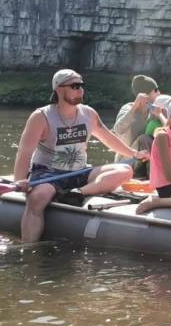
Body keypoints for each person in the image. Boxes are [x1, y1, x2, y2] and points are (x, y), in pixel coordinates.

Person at [13, 69, 150, 243]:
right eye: (75, 86)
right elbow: (24, 152)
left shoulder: (88, 113)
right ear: (59, 89)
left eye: (82, 86)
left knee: (125, 170)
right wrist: (20, 180)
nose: (81, 90)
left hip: (79, 172)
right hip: (48, 173)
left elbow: (108, 138)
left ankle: (77, 193)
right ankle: (28, 247)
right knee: (37, 198)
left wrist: (133, 153)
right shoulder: (41, 117)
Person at [113, 75, 162, 173]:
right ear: (146, 94)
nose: (159, 93)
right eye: (156, 90)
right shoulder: (127, 108)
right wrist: (135, 107)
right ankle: (154, 176)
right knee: (144, 139)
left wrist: (161, 115)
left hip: (145, 159)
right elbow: (117, 130)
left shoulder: (154, 111)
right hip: (126, 161)